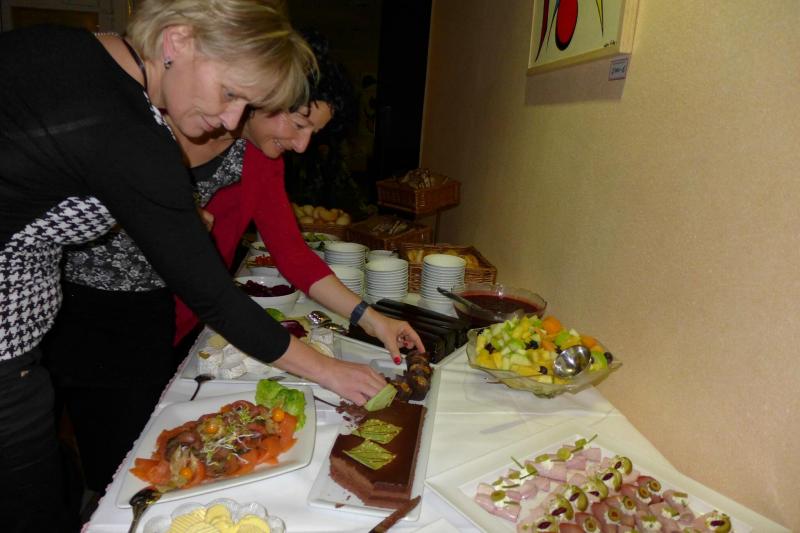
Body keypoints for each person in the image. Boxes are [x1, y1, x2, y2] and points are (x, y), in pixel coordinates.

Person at [0, 2, 395, 531]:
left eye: (244, 103)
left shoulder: (74, 53)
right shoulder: (126, 127)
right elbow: (213, 293)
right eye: (230, 94)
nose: (231, 119)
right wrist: (328, 370)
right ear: (177, 41)